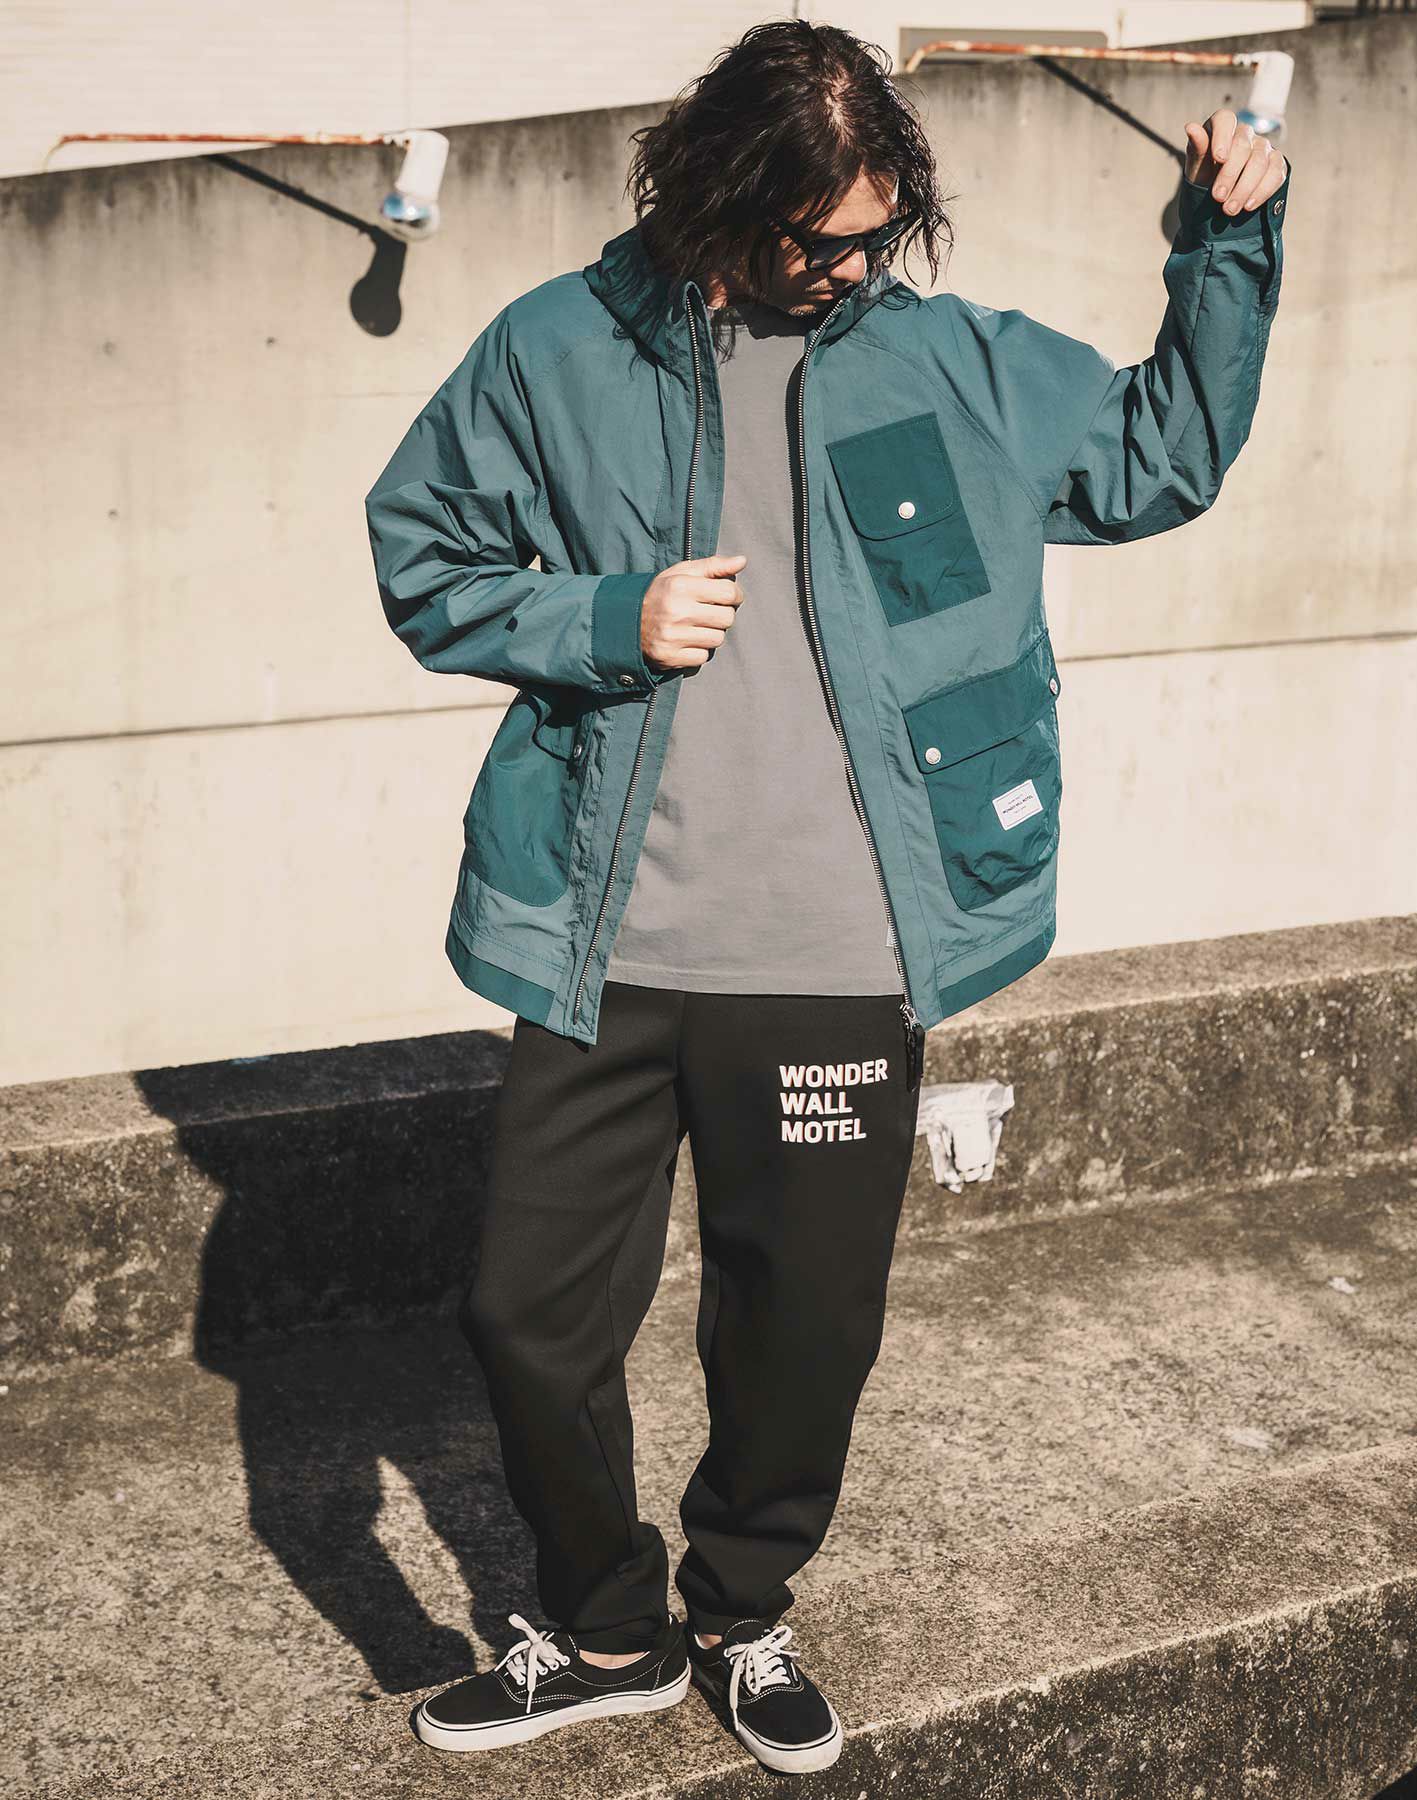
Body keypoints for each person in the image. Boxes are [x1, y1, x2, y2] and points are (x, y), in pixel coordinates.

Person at [362, 16, 1289, 1776]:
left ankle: (739, 1610)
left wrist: (1228, 244)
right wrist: (602, 616)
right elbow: (423, 548)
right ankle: (610, 1628)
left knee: (802, 1332)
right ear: (720, 195)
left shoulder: (951, 361)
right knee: (524, 1317)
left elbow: (1160, 456)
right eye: (820, 237)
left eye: (879, 233)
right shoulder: (557, 347)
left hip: (842, 955)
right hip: (604, 944)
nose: (854, 266)